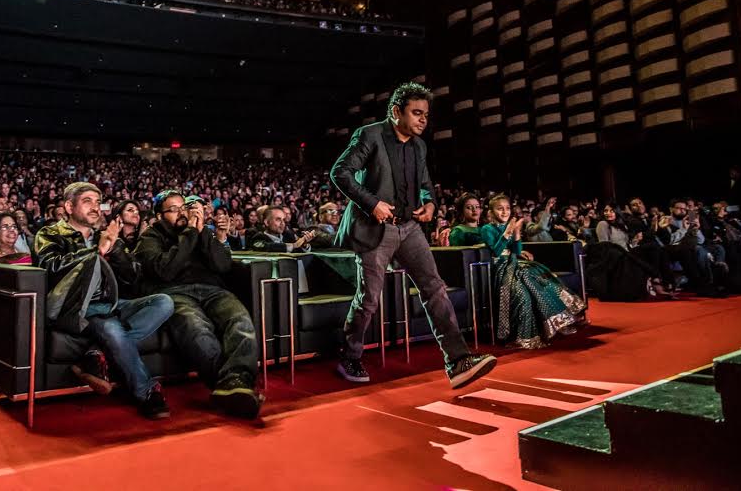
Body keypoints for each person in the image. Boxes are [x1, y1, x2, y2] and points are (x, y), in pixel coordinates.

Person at [330, 82, 495, 388]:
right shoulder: (370, 135)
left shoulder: (419, 146)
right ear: (396, 112)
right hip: (374, 228)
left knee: (435, 287)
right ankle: (349, 356)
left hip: (410, 228)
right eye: (416, 113)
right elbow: (340, 173)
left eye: (426, 114)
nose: (423, 120)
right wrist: (372, 203)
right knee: (369, 299)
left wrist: (430, 202)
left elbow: (425, 183)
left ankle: (457, 360)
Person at [34, 182, 173, 419]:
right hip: (77, 306)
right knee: (112, 328)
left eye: (98, 203)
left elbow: (132, 277)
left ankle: (97, 353)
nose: (95, 208)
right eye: (87, 201)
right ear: (69, 206)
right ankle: (145, 392)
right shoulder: (50, 234)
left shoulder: (106, 235)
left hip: (111, 303)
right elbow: (50, 267)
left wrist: (115, 249)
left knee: (164, 302)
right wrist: (95, 251)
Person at [135, 189, 263, 419]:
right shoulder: (150, 237)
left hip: (213, 290)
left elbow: (223, 265)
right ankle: (231, 385)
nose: (180, 213)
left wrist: (203, 233)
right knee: (195, 327)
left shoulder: (202, 231)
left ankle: (236, 382)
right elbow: (166, 270)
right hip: (174, 291)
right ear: (159, 215)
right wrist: (191, 234)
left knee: (239, 319)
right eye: (172, 210)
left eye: (182, 207)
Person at [480, 194, 586, 348]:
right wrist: (508, 232)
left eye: (508, 208)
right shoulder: (487, 229)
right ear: (490, 213)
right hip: (500, 269)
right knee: (524, 295)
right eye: (500, 209)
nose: (505, 212)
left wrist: (516, 235)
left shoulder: (509, 226)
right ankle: (523, 337)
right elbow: (496, 252)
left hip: (515, 263)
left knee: (541, 281)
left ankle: (560, 322)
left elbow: (516, 250)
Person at [248, 205, 315, 252]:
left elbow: (299, 250)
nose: (282, 223)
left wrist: (304, 244)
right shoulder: (258, 237)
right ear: (267, 222)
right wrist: (293, 245)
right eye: (278, 219)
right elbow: (268, 247)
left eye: (283, 220)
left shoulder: (288, 235)